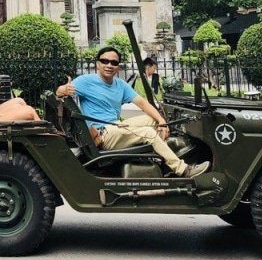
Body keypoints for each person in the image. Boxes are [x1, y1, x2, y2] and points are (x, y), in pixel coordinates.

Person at [55, 47, 209, 178]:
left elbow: (142, 103)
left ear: (118, 67)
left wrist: (162, 121)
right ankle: (182, 169)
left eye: (114, 63)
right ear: (97, 64)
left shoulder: (120, 84)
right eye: (105, 61)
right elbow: (60, 91)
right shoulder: (85, 81)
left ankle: (163, 158)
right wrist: (63, 90)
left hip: (116, 126)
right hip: (103, 134)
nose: (109, 65)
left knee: (154, 120)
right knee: (148, 133)